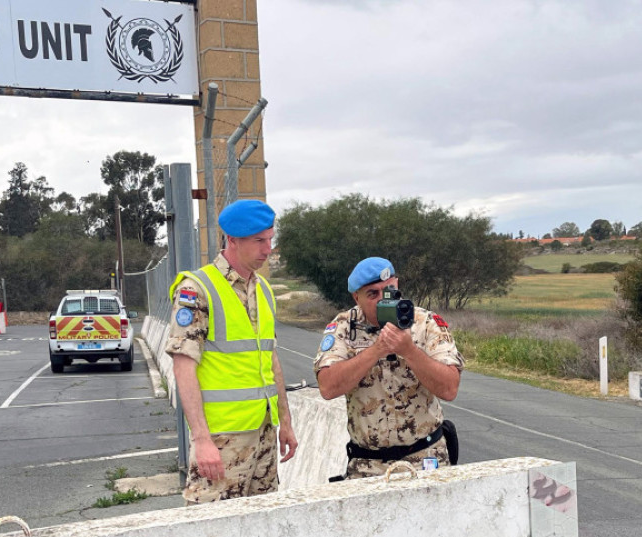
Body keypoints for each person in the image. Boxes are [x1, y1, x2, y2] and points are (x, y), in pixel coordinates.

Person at [166, 199, 298, 504]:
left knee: (261, 527)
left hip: (263, 433)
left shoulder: (262, 289)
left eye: (270, 239)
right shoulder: (197, 289)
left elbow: (270, 359)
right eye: (259, 241)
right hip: (222, 440)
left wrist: (285, 423)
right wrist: (201, 440)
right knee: (211, 532)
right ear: (233, 240)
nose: (268, 249)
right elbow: (183, 367)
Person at [314, 257, 463, 479]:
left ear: (397, 285)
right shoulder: (344, 327)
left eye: (389, 291)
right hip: (369, 465)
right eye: (372, 294)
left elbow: (450, 388)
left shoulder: (425, 322)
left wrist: (409, 351)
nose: (382, 299)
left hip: (426, 458)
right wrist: (376, 350)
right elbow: (328, 387)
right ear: (356, 297)